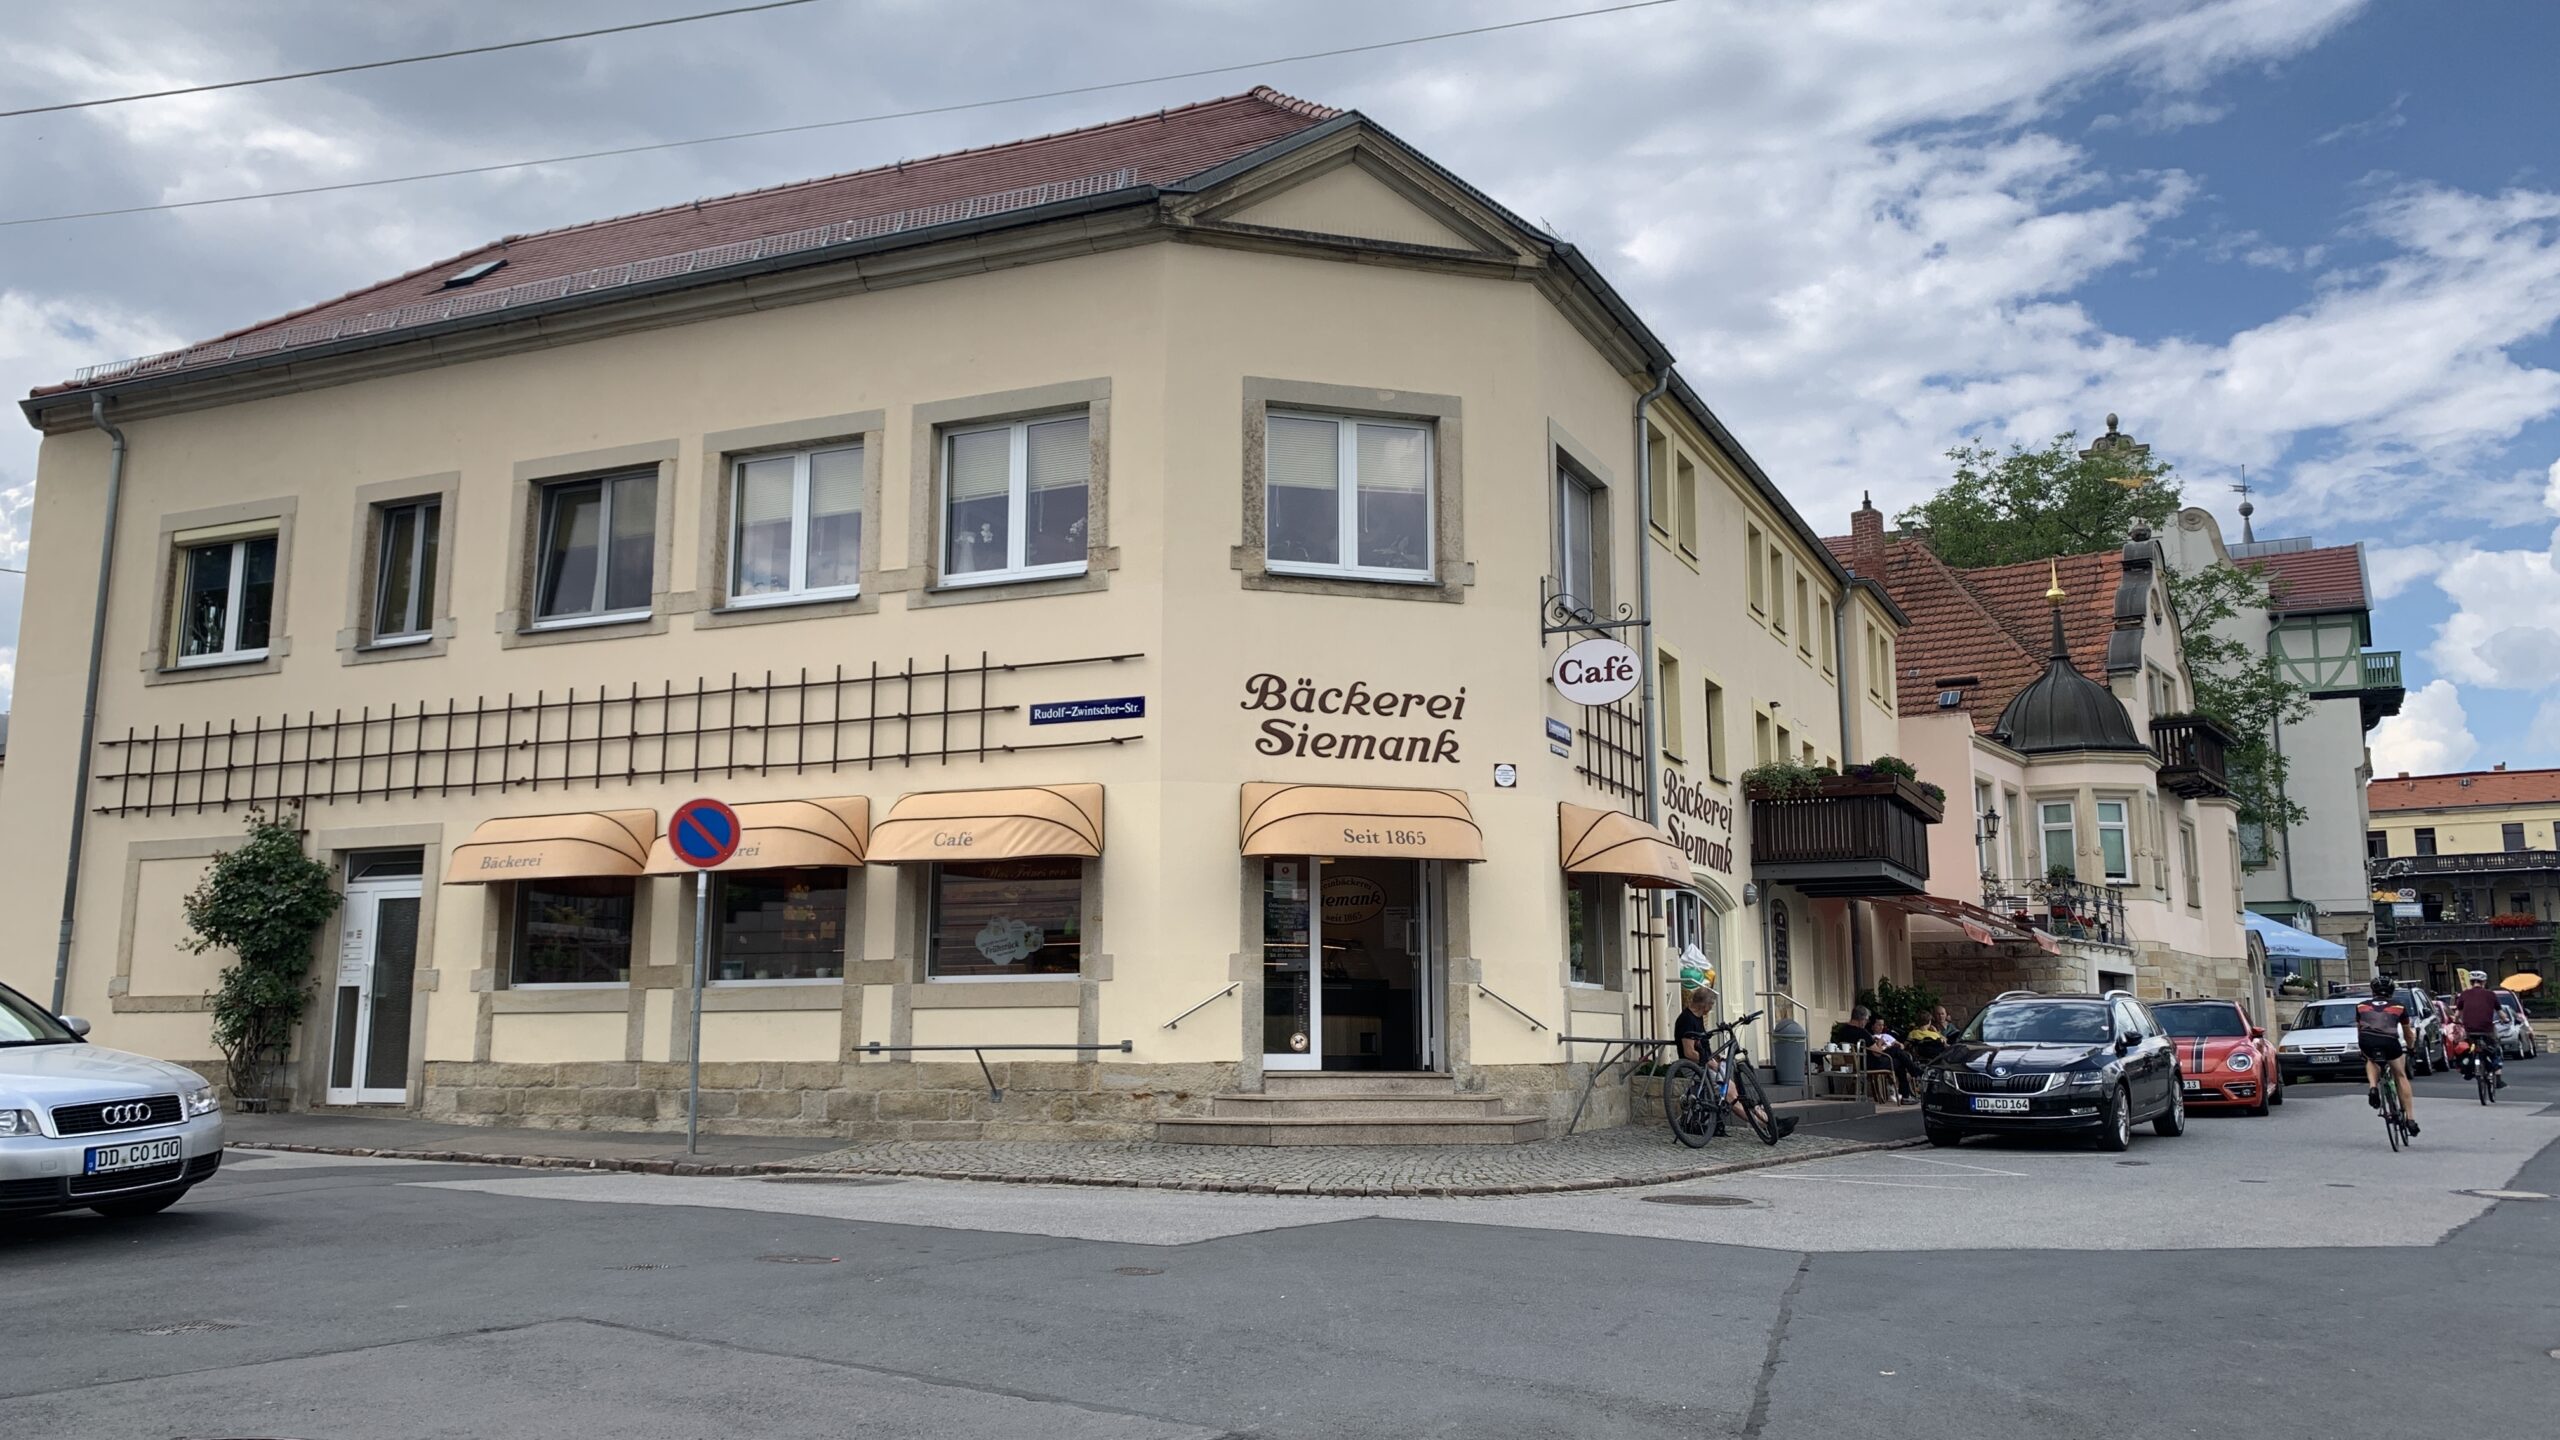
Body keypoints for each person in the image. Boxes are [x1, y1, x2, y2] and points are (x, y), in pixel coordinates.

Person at [1671, 987, 1796, 1140]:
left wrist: (1715, 1058)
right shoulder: (1687, 1020)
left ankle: (1770, 1121)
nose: (1711, 1009)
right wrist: (1711, 1063)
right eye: (1711, 1005)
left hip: (1704, 1064)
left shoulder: (1697, 1017)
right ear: (1704, 1005)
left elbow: (1702, 1047)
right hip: (1695, 1067)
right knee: (1732, 1094)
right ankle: (1768, 1125)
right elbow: (1689, 1053)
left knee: (1733, 1091)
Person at [2356, 975, 2420, 1134]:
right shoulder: (2399, 1006)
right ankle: (2410, 1119)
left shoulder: (2361, 1006)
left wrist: (2362, 1048)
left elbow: (2360, 1028)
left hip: (2367, 1040)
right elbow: (2408, 1034)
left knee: (2370, 1059)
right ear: (2392, 991)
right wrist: (2411, 1048)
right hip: (2389, 1041)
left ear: (2373, 991)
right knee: (2400, 1075)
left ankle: (2372, 1087)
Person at [2454, 970, 2507, 1089]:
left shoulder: (2464, 994)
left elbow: (2457, 1014)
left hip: (2469, 1029)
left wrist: (2457, 1020)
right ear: (2484, 982)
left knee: (2468, 1047)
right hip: (2487, 1029)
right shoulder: (2490, 994)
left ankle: (2467, 1069)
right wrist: (2505, 1019)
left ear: (2471, 982)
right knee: (2495, 1049)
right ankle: (2498, 1077)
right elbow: (2501, 1013)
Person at [1866, 1015, 1921, 1104]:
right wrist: (1880, 1043)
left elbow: (1901, 1046)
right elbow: (1877, 1053)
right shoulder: (1871, 1038)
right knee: (1896, 1052)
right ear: (1872, 1026)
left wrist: (1898, 1045)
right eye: (1878, 1025)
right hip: (1882, 1057)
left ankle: (1905, 1096)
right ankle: (1915, 1072)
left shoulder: (1886, 1036)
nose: (1881, 1027)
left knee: (1900, 1062)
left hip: (1893, 1057)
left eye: (1882, 1025)